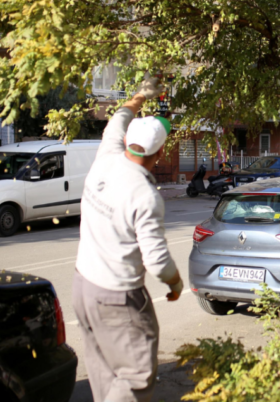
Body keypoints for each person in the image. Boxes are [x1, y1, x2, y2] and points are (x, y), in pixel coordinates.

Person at [72, 77, 183, 402]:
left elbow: (119, 117)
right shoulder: (145, 196)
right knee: (135, 376)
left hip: (83, 288)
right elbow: (158, 262)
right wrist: (176, 285)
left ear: (126, 142)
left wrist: (140, 97)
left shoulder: (106, 155)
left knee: (104, 370)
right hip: (117, 299)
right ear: (160, 153)